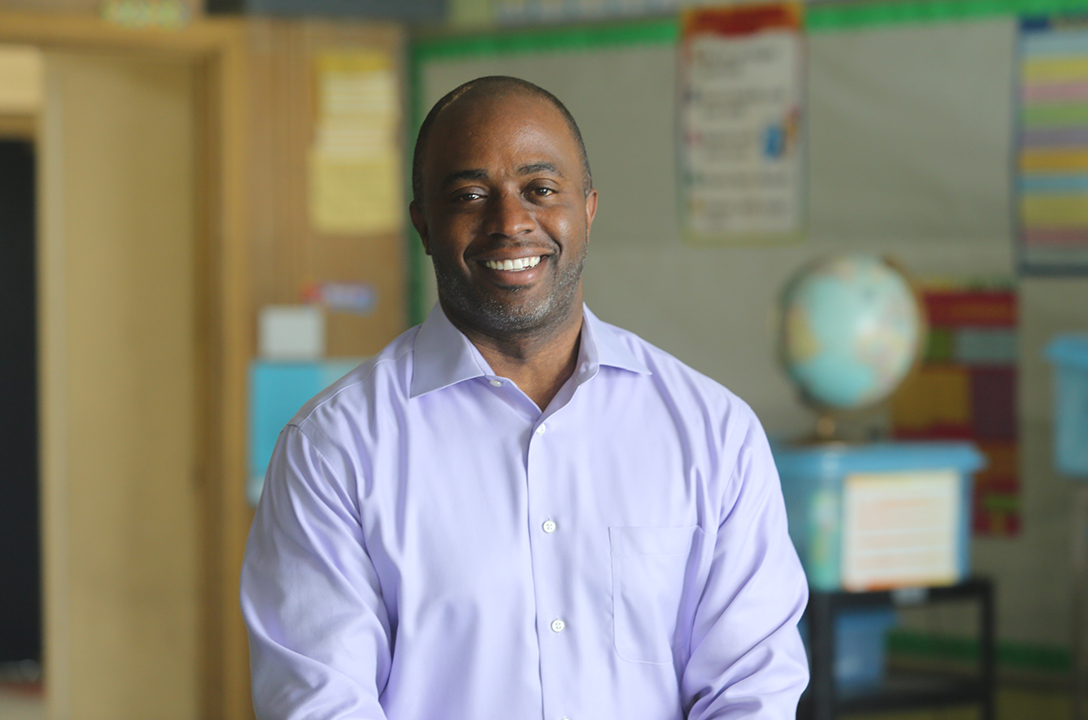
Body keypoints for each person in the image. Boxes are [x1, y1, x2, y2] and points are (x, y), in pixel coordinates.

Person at [241, 75, 808, 720]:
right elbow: (322, 703)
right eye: (470, 195)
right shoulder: (333, 447)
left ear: (588, 209)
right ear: (423, 224)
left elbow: (751, 690)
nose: (510, 223)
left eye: (541, 190)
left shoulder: (714, 431)